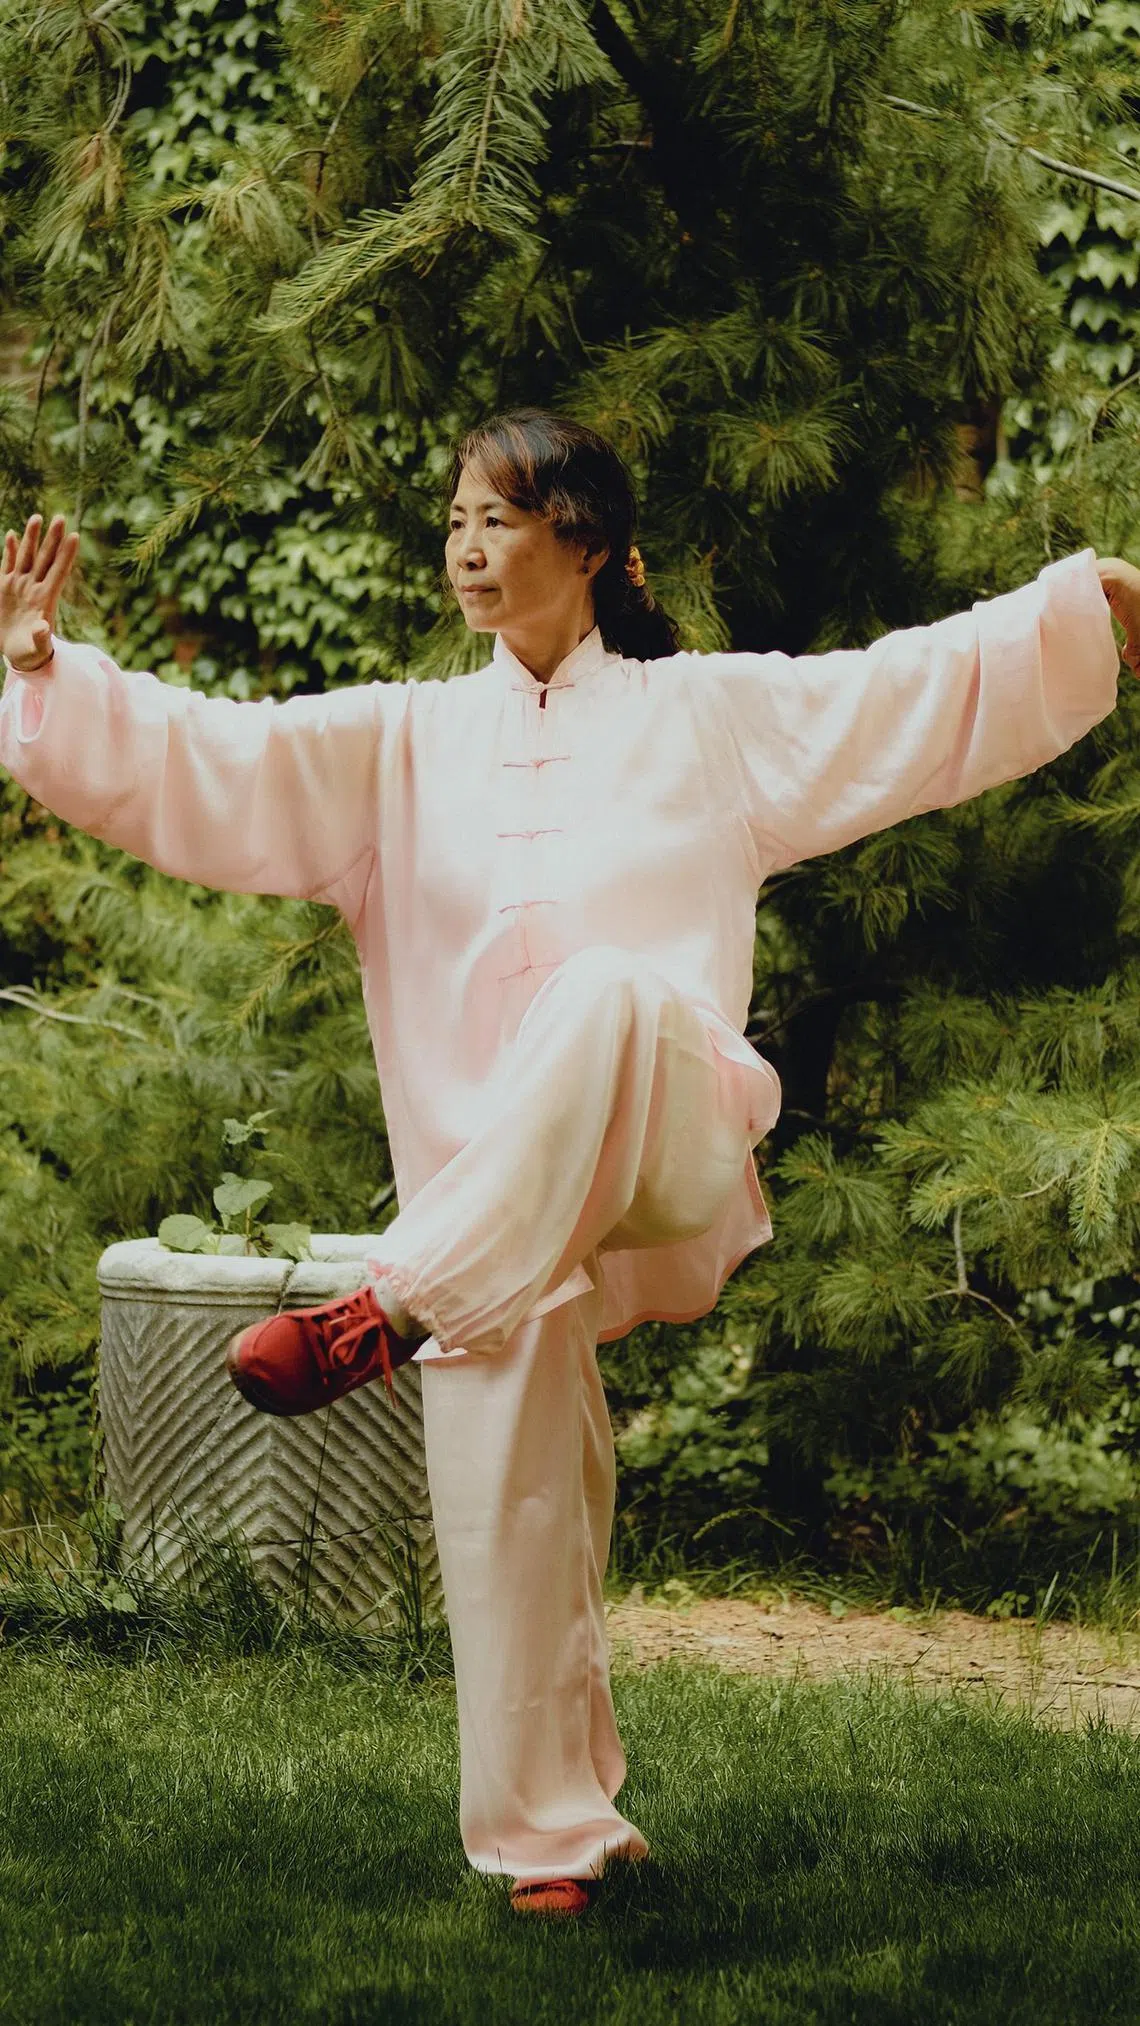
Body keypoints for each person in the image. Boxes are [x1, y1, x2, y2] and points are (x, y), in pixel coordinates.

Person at [2, 409, 1140, 1922]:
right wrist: (46, 670)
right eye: (456, 520)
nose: (468, 547)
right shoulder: (397, 746)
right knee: (511, 1492)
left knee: (605, 991)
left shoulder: (706, 718)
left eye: (501, 518)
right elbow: (210, 757)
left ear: (587, 540)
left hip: (666, 1132)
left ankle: (391, 1304)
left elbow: (896, 696)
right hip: (493, 1210)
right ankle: (555, 1836)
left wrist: (1081, 608)